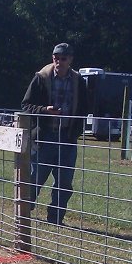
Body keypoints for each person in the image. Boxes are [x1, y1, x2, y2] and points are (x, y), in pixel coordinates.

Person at [19, 42, 87, 226]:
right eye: (56, 58)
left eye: (63, 58)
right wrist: (44, 110)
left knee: (64, 183)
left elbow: (85, 108)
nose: (59, 61)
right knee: (34, 179)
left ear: (70, 60)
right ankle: (24, 213)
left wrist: (76, 131)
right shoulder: (41, 78)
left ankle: (56, 218)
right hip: (44, 136)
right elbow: (25, 105)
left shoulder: (79, 81)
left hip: (67, 138)